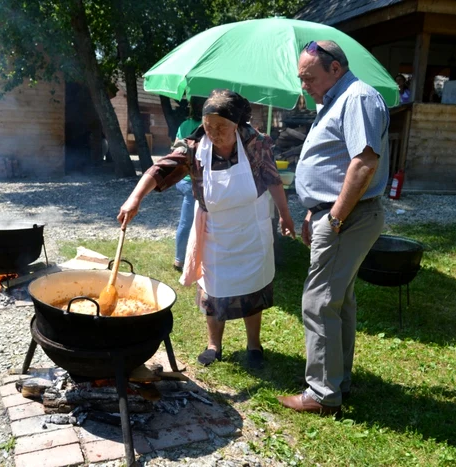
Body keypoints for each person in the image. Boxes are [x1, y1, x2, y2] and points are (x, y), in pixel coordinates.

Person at [118, 89, 296, 369]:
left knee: (254, 284)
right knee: (213, 288)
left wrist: (284, 215)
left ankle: (254, 345)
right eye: (209, 126)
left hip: (252, 223)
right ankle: (214, 345)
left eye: (222, 127)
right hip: (216, 229)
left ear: (236, 124)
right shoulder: (194, 147)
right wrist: (134, 198)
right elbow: (161, 169)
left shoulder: (255, 142)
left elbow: (272, 178)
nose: (214, 132)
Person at [277, 41, 389, 415]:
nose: (303, 85)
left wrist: (335, 217)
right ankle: (338, 380)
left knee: (319, 300)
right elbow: (334, 164)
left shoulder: (357, 97)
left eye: (308, 77)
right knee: (339, 299)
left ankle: (323, 394)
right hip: (334, 213)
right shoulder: (336, 99)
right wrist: (314, 211)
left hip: (348, 217)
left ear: (335, 69)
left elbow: (364, 163)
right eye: (301, 78)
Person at [173, 97, 205, 272]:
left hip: (183, 179)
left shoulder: (184, 125)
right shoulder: (210, 125)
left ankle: (182, 258)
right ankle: (181, 259)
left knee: (187, 221)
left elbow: (176, 148)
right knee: (193, 221)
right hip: (194, 180)